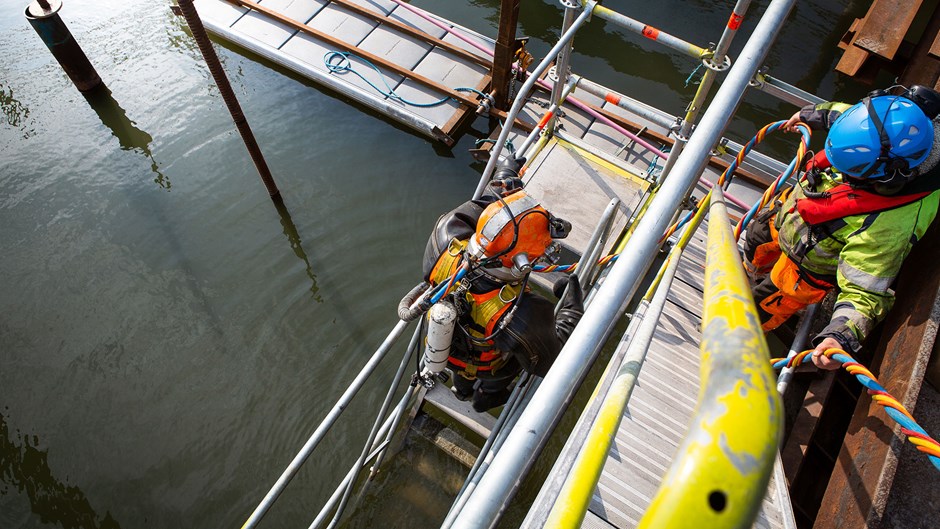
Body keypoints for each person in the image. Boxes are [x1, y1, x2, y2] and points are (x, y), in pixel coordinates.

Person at [743, 86, 940, 370]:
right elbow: (845, 114)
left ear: (887, 178)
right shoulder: (888, 124)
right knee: (757, 237)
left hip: (805, 269)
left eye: (849, 172)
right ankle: (750, 271)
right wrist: (810, 114)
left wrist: (839, 337)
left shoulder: (888, 224)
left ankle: (732, 345)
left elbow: (865, 291)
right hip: (793, 214)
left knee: (755, 312)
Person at [416, 157, 584, 412]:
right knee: (501, 368)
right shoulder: (521, 313)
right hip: (492, 366)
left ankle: (461, 390)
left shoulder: (446, 235)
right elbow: (550, 359)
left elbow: (484, 206)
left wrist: (506, 174)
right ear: (524, 261)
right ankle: (486, 397)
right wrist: (571, 305)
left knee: (464, 364)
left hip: (446, 346)